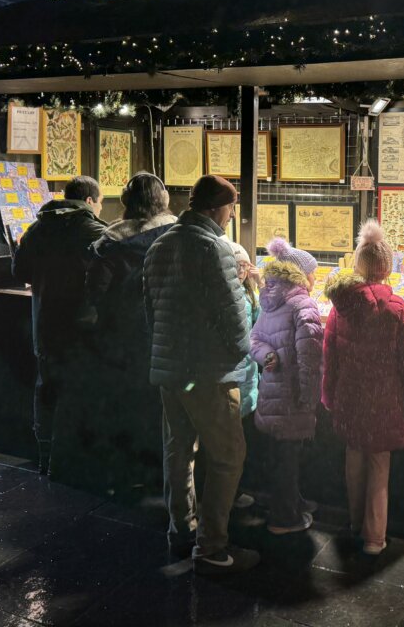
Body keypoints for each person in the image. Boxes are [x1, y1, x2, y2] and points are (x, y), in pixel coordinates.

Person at [143, 174, 256, 575]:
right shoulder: (215, 248)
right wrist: (246, 353)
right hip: (209, 373)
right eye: (230, 207)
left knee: (179, 451)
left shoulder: (159, 245)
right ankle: (211, 546)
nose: (230, 216)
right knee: (228, 456)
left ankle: (181, 529)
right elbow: (233, 316)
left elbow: (151, 311)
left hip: (170, 372)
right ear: (215, 208)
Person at [322, 219, 404, 556]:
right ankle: (374, 538)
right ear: (387, 268)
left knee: (353, 459)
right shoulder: (396, 310)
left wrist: (329, 398)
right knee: (379, 468)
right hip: (386, 404)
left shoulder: (339, 308)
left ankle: (354, 523)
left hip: (350, 401)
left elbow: (330, 357)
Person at [84, 173, 177, 489]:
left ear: (125, 201)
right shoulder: (175, 233)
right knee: (161, 405)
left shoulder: (111, 241)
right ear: (162, 200)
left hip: (120, 336)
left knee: (123, 404)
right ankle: (158, 471)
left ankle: (128, 473)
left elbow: (95, 290)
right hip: (165, 331)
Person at [12, 175, 105, 476]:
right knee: (79, 392)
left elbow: (19, 270)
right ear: (90, 201)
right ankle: (72, 462)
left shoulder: (39, 228)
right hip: (83, 328)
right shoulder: (95, 231)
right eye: (101, 203)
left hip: (46, 325)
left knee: (47, 390)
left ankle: (46, 456)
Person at [250, 238, 324, 534]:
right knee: (288, 458)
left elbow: (253, 340)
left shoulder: (269, 300)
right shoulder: (303, 305)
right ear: (301, 275)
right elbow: (309, 358)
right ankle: (284, 518)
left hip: (271, 391)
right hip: (292, 394)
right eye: (313, 272)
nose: (316, 278)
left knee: (280, 453)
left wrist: (267, 356)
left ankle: (293, 501)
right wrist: (309, 398)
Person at [226, 240, 261, 511]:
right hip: (236, 376)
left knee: (240, 440)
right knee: (232, 443)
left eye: (244, 264)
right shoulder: (229, 295)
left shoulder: (250, 295)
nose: (240, 269)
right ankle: (232, 494)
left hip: (247, 377)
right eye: (235, 264)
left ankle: (237, 490)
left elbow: (259, 325)